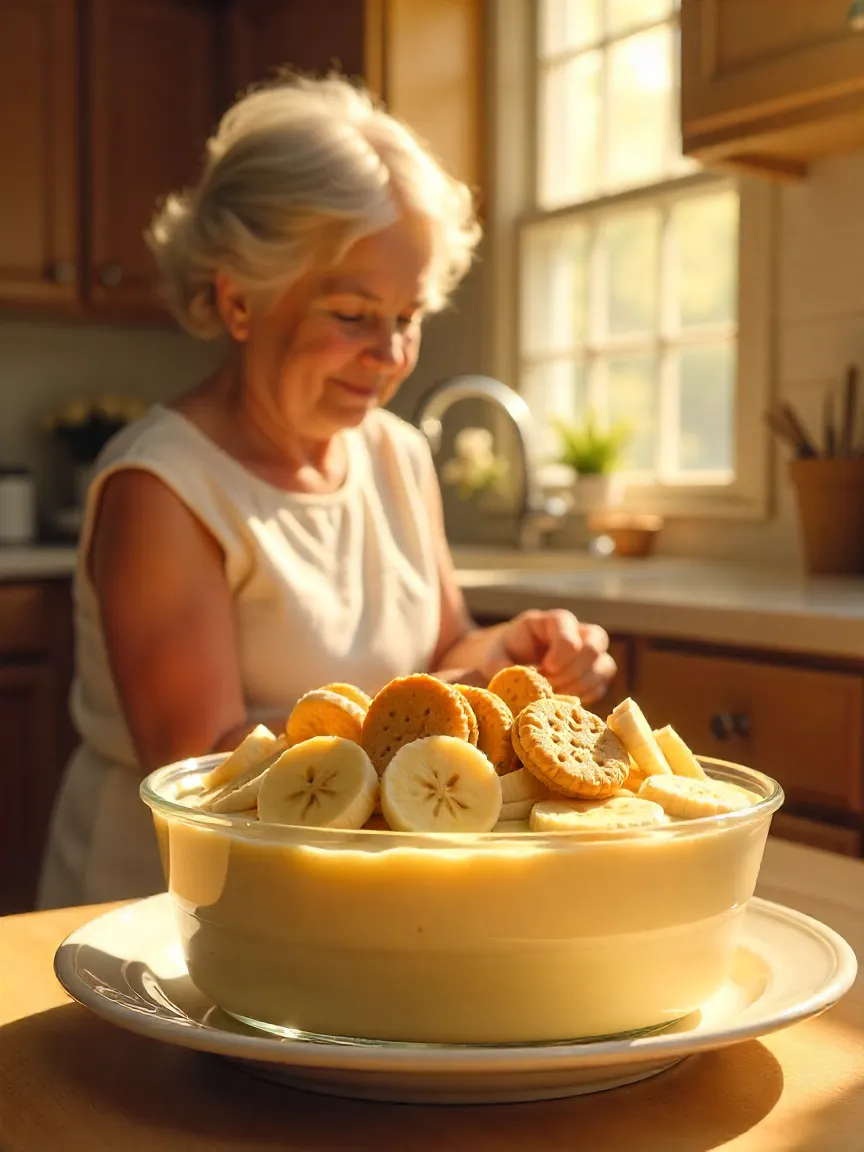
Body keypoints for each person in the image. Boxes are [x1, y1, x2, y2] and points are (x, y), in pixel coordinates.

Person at [38, 75, 616, 909]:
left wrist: (504, 658)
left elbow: (440, 657)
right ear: (240, 299)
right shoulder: (163, 487)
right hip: (166, 912)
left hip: (358, 896)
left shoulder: (398, 455)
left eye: (409, 317)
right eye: (353, 314)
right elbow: (206, 771)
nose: (391, 355)